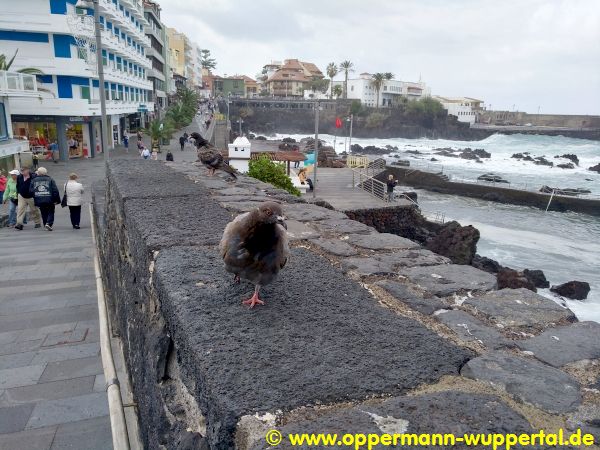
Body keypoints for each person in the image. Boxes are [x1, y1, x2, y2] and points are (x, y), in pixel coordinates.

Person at [29, 167, 60, 231]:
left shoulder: (34, 180)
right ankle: (49, 223)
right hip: (49, 199)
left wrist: (36, 196)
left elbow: (31, 191)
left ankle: (45, 223)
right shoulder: (50, 179)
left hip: (39, 199)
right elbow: (55, 190)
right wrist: (56, 200)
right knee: (51, 211)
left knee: (43, 212)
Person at [15, 166, 42, 230]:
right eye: (21, 171)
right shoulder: (19, 177)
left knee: (34, 210)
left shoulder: (33, 177)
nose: (22, 172)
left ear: (27, 170)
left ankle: (37, 222)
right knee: (20, 209)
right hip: (21, 195)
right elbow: (18, 185)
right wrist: (18, 192)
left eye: (23, 171)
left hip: (31, 196)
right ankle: (19, 224)